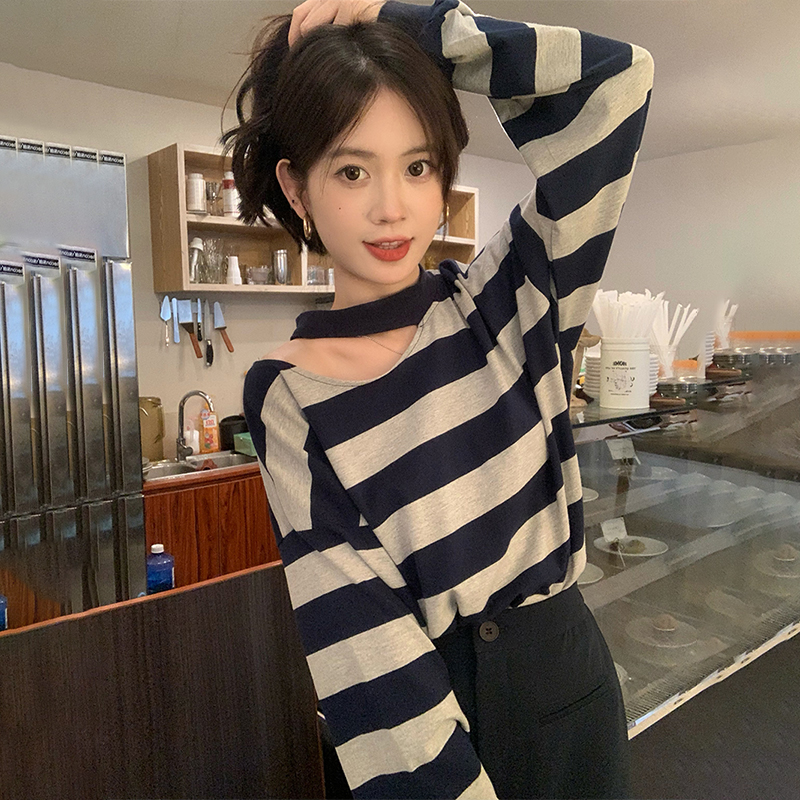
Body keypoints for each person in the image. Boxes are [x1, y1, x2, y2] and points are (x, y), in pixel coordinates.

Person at [225, 0, 653, 797]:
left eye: (418, 166)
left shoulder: (512, 295)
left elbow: (616, 83)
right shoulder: (288, 393)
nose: (393, 207)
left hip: (570, 690)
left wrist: (421, 30)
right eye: (352, 171)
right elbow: (364, 644)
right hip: (428, 713)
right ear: (298, 187)